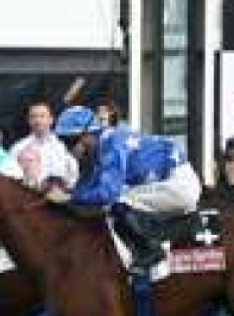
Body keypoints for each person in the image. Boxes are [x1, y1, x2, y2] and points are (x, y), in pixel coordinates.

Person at [44, 106, 201, 271]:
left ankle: (150, 250)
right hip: (163, 183)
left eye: (70, 141)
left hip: (179, 185)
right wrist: (63, 194)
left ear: (88, 135)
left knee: (118, 202)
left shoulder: (112, 144)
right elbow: (85, 187)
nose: (67, 149)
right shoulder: (95, 150)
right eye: (63, 141)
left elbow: (107, 194)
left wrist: (69, 197)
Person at [9, 101, 79, 188]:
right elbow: (10, 175)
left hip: (60, 195)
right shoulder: (18, 147)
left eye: (42, 116)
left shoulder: (61, 146)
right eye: (33, 117)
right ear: (28, 121)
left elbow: (73, 172)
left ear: (51, 120)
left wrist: (67, 186)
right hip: (30, 196)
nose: (38, 120)